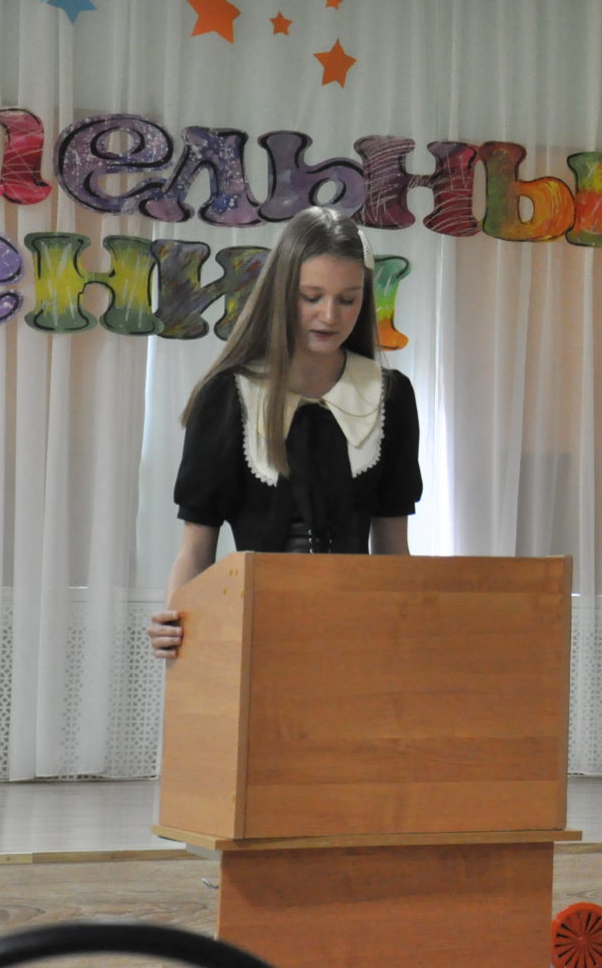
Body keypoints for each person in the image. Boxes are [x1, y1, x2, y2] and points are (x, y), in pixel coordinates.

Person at [147, 208, 423, 659]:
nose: (329, 315)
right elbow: (196, 548)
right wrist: (175, 627)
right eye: (311, 297)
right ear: (281, 293)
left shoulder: (390, 396)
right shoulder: (228, 395)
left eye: (348, 299)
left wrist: (409, 639)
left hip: (358, 638)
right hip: (252, 638)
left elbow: (393, 546)